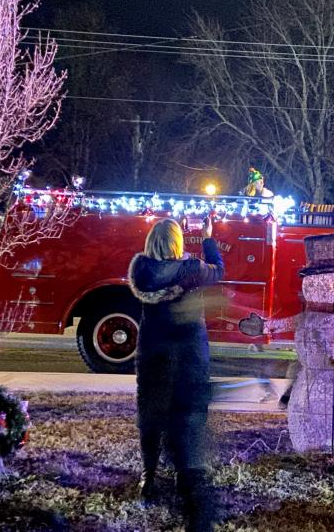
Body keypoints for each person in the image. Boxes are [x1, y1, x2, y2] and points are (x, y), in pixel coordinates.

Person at [128, 216, 224, 531]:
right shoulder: (192, 269)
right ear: (177, 242)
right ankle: (187, 475)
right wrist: (209, 238)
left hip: (152, 349)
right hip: (189, 352)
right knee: (190, 411)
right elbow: (219, 270)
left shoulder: (141, 270)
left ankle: (149, 477)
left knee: (150, 412)